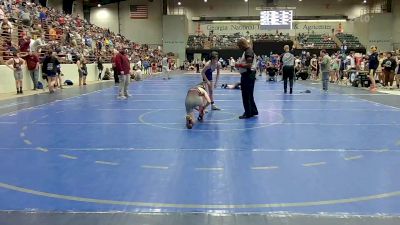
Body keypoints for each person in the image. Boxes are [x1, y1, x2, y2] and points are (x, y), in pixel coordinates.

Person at [235, 38, 258, 119]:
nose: (239, 48)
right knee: (249, 94)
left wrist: (239, 65)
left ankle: (248, 113)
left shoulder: (248, 51)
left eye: (239, 46)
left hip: (248, 75)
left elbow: (249, 65)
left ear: (242, 44)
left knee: (246, 94)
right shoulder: (247, 51)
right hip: (249, 75)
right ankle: (253, 111)